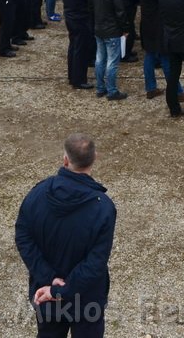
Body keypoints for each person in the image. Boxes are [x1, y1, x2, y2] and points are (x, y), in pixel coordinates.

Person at [15, 133, 116, 338]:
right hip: (86, 299)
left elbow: (23, 237)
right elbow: (95, 262)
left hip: (46, 293)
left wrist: (50, 280)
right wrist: (63, 289)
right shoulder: (103, 207)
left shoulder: (37, 194)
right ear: (95, 157)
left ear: (65, 159)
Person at [138, 0, 184, 101]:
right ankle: (177, 91)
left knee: (150, 56)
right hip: (158, 25)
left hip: (147, 23)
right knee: (167, 59)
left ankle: (150, 88)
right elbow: (164, 1)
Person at [89, 0, 128, 101]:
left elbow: (91, 10)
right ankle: (112, 90)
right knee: (112, 62)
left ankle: (100, 88)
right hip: (111, 31)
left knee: (100, 60)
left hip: (99, 29)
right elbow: (120, 13)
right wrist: (125, 29)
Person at [61, 0, 96, 90]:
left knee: (73, 48)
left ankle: (72, 75)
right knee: (80, 51)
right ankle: (79, 79)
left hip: (71, 20)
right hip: (81, 21)